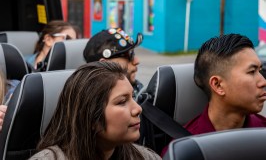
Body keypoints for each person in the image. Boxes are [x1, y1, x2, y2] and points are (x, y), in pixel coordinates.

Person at [29, 61, 161, 160]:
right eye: (122, 102)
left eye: (132, 97)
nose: (138, 109)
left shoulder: (145, 157)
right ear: (91, 117)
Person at [161, 33, 266, 157]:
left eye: (260, 71)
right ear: (218, 85)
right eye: (252, 72)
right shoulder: (184, 151)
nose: (263, 81)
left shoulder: (262, 130)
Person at [83, 28, 144, 99]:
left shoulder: (138, 89)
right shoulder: (93, 103)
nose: (137, 61)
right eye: (129, 55)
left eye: (133, 53)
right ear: (104, 64)